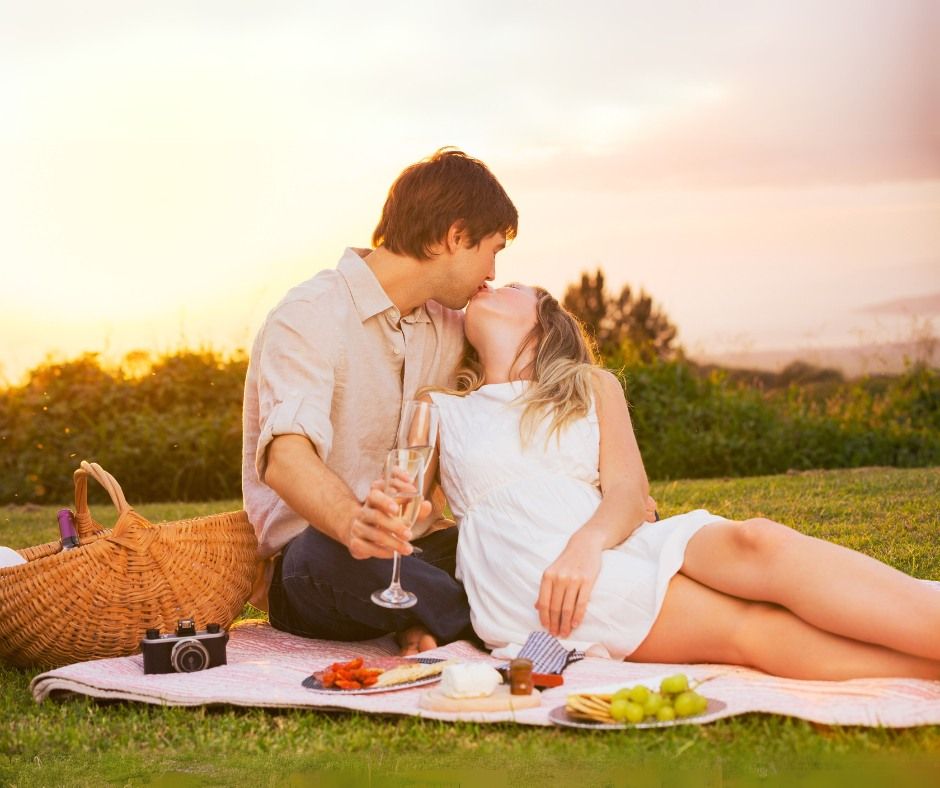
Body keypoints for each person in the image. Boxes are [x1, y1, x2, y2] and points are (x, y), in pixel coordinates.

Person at [424, 283, 940, 680]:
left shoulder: (590, 386)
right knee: (747, 629)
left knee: (758, 538)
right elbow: (417, 521)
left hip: (608, 537)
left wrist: (588, 543)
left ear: (543, 320)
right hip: (535, 579)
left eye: (512, 285)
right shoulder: (441, 411)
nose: (489, 285)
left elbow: (628, 492)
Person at [242, 149, 518, 654]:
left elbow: (537, 385)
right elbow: (286, 458)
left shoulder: (453, 326)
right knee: (325, 558)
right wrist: (352, 524)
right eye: (492, 249)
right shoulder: (310, 314)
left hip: (421, 552)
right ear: (456, 236)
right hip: (325, 563)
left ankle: (428, 619)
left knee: (515, 541)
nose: (493, 272)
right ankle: (510, 625)